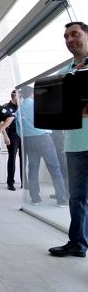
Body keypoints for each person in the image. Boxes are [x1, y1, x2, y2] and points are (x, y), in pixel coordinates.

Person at [49, 21, 88, 258]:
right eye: (65, 37)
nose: (69, 40)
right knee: (77, 198)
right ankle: (77, 243)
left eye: (74, 34)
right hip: (74, 145)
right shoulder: (65, 73)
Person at [17, 86, 67, 206]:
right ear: (32, 94)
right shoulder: (38, 105)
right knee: (55, 168)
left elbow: (19, 130)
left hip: (29, 140)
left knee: (33, 169)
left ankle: (35, 198)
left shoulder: (19, 109)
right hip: (43, 139)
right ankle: (61, 199)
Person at [2, 90, 22, 191]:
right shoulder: (6, 107)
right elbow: (2, 123)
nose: (21, 97)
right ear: (14, 96)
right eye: (19, 96)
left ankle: (24, 182)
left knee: (23, 159)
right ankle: (10, 182)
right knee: (12, 158)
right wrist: (5, 136)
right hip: (12, 135)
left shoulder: (22, 107)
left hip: (22, 135)